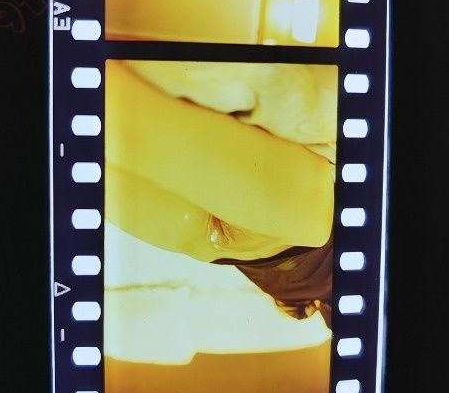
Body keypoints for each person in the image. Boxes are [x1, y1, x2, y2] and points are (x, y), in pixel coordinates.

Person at [105, 60, 335, 325]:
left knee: (115, 118)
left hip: (302, 221)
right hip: (230, 251)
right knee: (107, 131)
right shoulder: (310, 305)